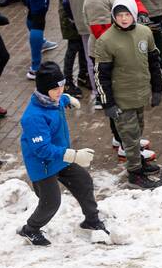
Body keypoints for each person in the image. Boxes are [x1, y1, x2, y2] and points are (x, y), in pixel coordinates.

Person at [18, 61, 104, 246]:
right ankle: (30, 229)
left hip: (60, 157)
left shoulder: (53, 101)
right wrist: (74, 155)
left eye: (62, 86)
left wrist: (66, 98)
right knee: (51, 202)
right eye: (55, 89)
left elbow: (58, 98)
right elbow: (42, 150)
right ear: (44, 90)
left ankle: (92, 220)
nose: (60, 91)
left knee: (83, 181)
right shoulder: (33, 117)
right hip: (43, 165)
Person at [94, 0, 162, 189]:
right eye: (119, 15)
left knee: (137, 131)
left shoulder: (145, 33)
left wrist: (157, 89)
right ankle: (135, 174)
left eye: (127, 14)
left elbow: (154, 62)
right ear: (113, 16)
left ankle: (138, 162)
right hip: (121, 99)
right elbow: (101, 76)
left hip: (140, 95)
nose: (123, 19)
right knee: (130, 137)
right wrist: (107, 103)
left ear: (134, 13)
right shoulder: (106, 40)